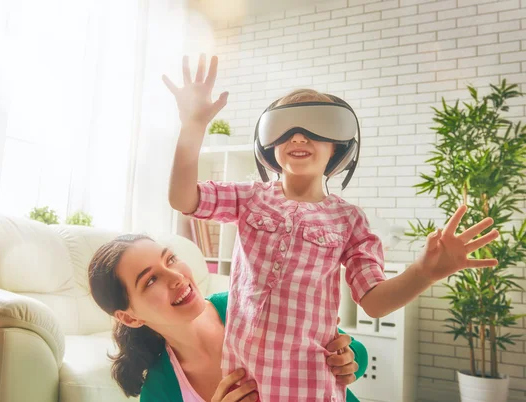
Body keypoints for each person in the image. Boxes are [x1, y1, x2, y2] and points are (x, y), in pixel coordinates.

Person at [164, 54, 500, 400]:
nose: (299, 137)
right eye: (286, 130)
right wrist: (193, 126)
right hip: (243, 384)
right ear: (269, 143)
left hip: (310, 384)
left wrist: (424, 272)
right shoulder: (249, 197)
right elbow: (182, 198)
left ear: (337, 147)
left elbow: (375, 302)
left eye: (316, 129)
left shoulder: (349, 221)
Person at [88, 234, 368, 402]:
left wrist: (346, 358)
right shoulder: (160, 388)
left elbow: (357, 353)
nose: (176, 277)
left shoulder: (251, 303)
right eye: (150, 281)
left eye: (170, 259)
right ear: (130, 317)